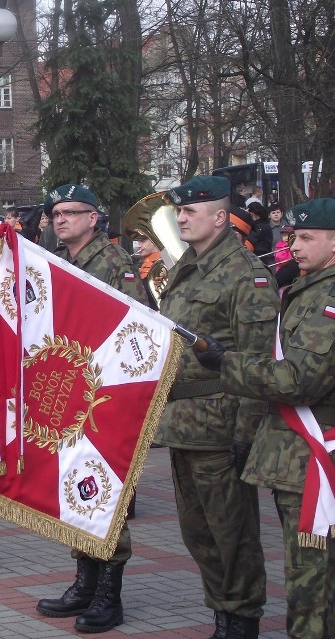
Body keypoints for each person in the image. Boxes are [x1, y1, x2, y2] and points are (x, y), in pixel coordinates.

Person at [193, 198, 335, 639]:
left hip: (314, 461)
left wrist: (225, 362)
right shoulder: (307, 288)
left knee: (313, 591)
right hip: (295, 459)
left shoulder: (328, 299)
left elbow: (299, 379)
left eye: (308, 237)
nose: (294, 245)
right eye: (292, 236)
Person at [153, 176, 277, 639]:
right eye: (179, 212)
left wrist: (246, 435)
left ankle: (242, 620)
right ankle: (222, 613)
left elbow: (256, 359)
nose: (181, 218)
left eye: (191, 211)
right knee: (198, 532)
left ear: (221, 217)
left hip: (222, 427)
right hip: (183, 425)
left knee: (233, 534)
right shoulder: (188, 268)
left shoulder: (246, 274)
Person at [35, 185, 147, 633]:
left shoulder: (115, 264)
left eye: (70, 213)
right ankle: (84, 580)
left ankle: (109, 594)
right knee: (75, 489)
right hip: (70, 393)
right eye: (55, 213)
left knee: (103, 491)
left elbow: (134, 328)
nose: (60, 220)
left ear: (93, 218)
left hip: (105, 397)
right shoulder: (63, 260)